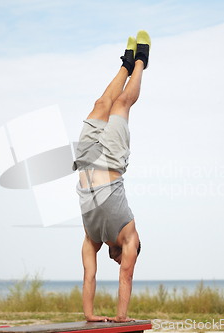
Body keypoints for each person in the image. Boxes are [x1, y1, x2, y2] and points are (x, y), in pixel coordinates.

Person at [72, 30, 151, 323]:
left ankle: (126, 63)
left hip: (86, 161)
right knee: (120, 105)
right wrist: (121, 317)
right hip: (112, 160)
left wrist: (90, 314)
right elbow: (126, 277)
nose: (117, 260)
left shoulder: (92, 238)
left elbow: (89, 275)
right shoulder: (129, 236)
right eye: (121, 258)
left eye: (118, 259)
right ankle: (142, 59)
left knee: (100, 104)